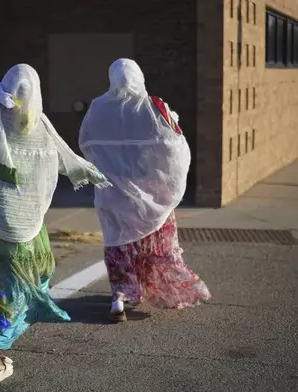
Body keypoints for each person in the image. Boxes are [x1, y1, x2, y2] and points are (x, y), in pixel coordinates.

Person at [0, 64, 111, 383]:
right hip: (24, 227)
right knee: (27, 281)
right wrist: (93, 172)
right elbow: (62, 160)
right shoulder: (39, 124)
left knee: (1, 284)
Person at [79, 58, 211, 322]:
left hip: (113, 193)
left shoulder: (98, 107)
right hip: (150, 194)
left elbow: (86, 143)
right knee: (154, 244)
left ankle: (120, 296)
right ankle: (158, 291)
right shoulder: (153, 106)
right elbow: (175, 144)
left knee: (119, 244)